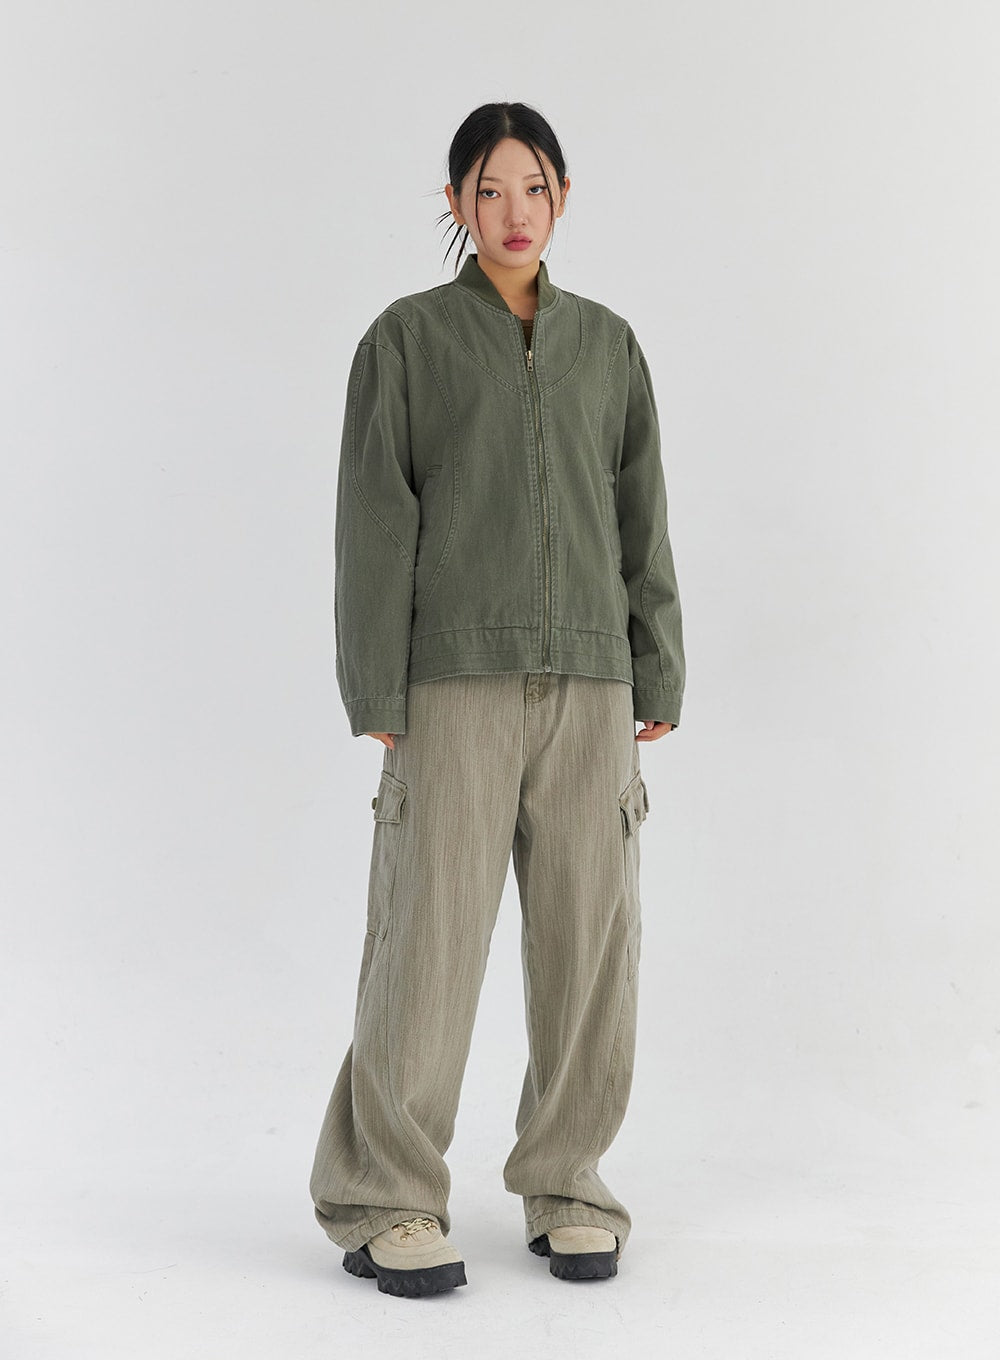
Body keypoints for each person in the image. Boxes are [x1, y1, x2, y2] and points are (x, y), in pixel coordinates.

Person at [308, 101, 685, 1299]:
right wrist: (376, 678)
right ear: (457, 203)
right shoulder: (407, 340)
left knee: (589, 943)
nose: (513, 212)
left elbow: (640, 514)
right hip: (451, 683)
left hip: (591, 680)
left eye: (533, 187)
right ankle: (386, 1195)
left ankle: (569, 1184)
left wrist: (657, 660)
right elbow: (376, 519)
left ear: (562, 195)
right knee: (425, 942)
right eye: (488, 189)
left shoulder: (609, 346)